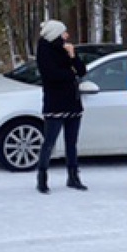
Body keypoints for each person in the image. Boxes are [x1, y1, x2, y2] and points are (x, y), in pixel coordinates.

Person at [35, 20, 88, 194]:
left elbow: (81, 71)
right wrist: (71, 73)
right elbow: (51, 75)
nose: (67, 36)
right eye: (64, 33)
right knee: (49, 141)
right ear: (55, 34)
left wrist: (73, 56)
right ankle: (42, 177)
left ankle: (73, 176)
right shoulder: (44, 49)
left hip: (72, 101)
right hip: (55, 102)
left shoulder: (67, 49)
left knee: (71, 142)